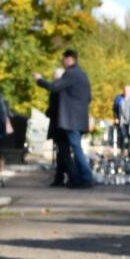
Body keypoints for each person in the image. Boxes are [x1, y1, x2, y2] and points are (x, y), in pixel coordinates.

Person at [34, 48, 95, 189]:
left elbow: (54, 87)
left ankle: (86, 177)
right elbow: (89, 98)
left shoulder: (71, 74)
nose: (62, 62)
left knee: (76, 149)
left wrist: (39, 80)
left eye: (63, 59)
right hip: (80, 118)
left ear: (69, 59)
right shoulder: (83, 75)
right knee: (75, 148)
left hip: (71, 120)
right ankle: (79, 177)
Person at [45, 67, 71, 186]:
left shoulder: (57, 90)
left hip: (59, 125)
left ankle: (64, 176)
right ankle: (61, 176)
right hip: (63, 124)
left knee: (62, 152)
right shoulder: (65, 90)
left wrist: (49, 112)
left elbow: (54, 108)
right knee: (62, 152)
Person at [113, 83, 130, 150]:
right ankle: (122, 150)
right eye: (126, 90)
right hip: (121, 120)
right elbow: (114, 109)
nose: (127, 92)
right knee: (122, 135)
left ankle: (129, 150)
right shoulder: (118, 99)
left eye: (129, 91)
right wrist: (116, 117)